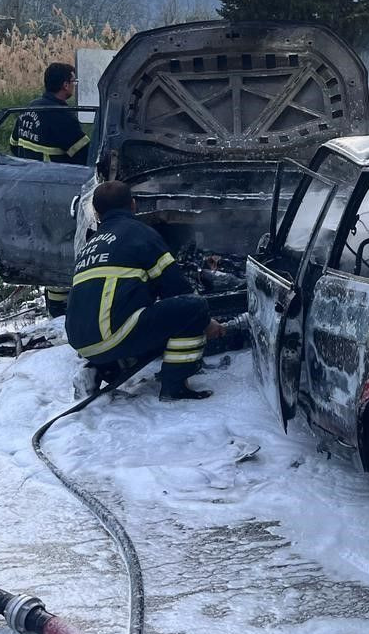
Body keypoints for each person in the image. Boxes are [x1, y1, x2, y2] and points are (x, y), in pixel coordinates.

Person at [65, 180, 222, 401]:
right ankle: (175, 385)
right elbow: (176, 288)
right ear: (133, 205)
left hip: (80, 340)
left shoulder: (90, 245)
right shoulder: (139, 233)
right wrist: (206, 321)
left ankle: (99, 369)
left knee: (140, 318)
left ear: (97, 214)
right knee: (194, 307)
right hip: (112, 334)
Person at [12, 63, 92, 317]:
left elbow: (14, 146)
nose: (74, 85)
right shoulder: (59, 116)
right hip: (55, 192)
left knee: (46, 244)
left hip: (29, 189)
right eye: (73, 81)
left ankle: (53, 300)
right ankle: (60, 308)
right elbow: (87, 157)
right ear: (65, 85)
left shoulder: (29, 109)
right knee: (61, 245)